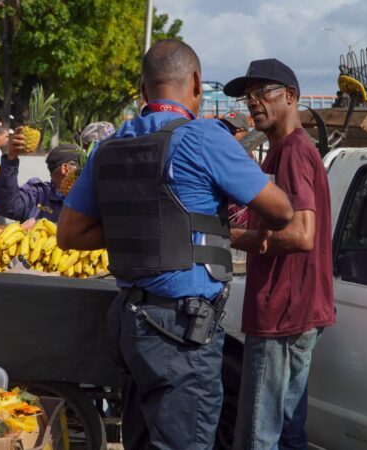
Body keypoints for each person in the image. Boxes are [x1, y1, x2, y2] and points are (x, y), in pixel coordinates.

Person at [57, 39, 293, 450]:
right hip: (182, 332)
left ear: (144, 91)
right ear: (197, 84)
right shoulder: (204, 138)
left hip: (130, 323)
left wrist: (148, 222)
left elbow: (70, 234)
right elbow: (281, 212)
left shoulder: (108, 149)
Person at [224, 58, 336, 450]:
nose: (253, 102)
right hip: (296, 312)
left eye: (262, 93)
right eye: (248, 96)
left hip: (282, 316)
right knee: (288, 434)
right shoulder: (284, 152)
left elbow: (302, 234)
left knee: (258, 436)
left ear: (290, 96)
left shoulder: (291, 152)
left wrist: (230, 237)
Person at [0, 122, 115, 222]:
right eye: (84, 163)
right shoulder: (38, 194)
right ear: (65, 168)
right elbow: (7, 206)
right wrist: (11, 159)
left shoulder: (102, 196)